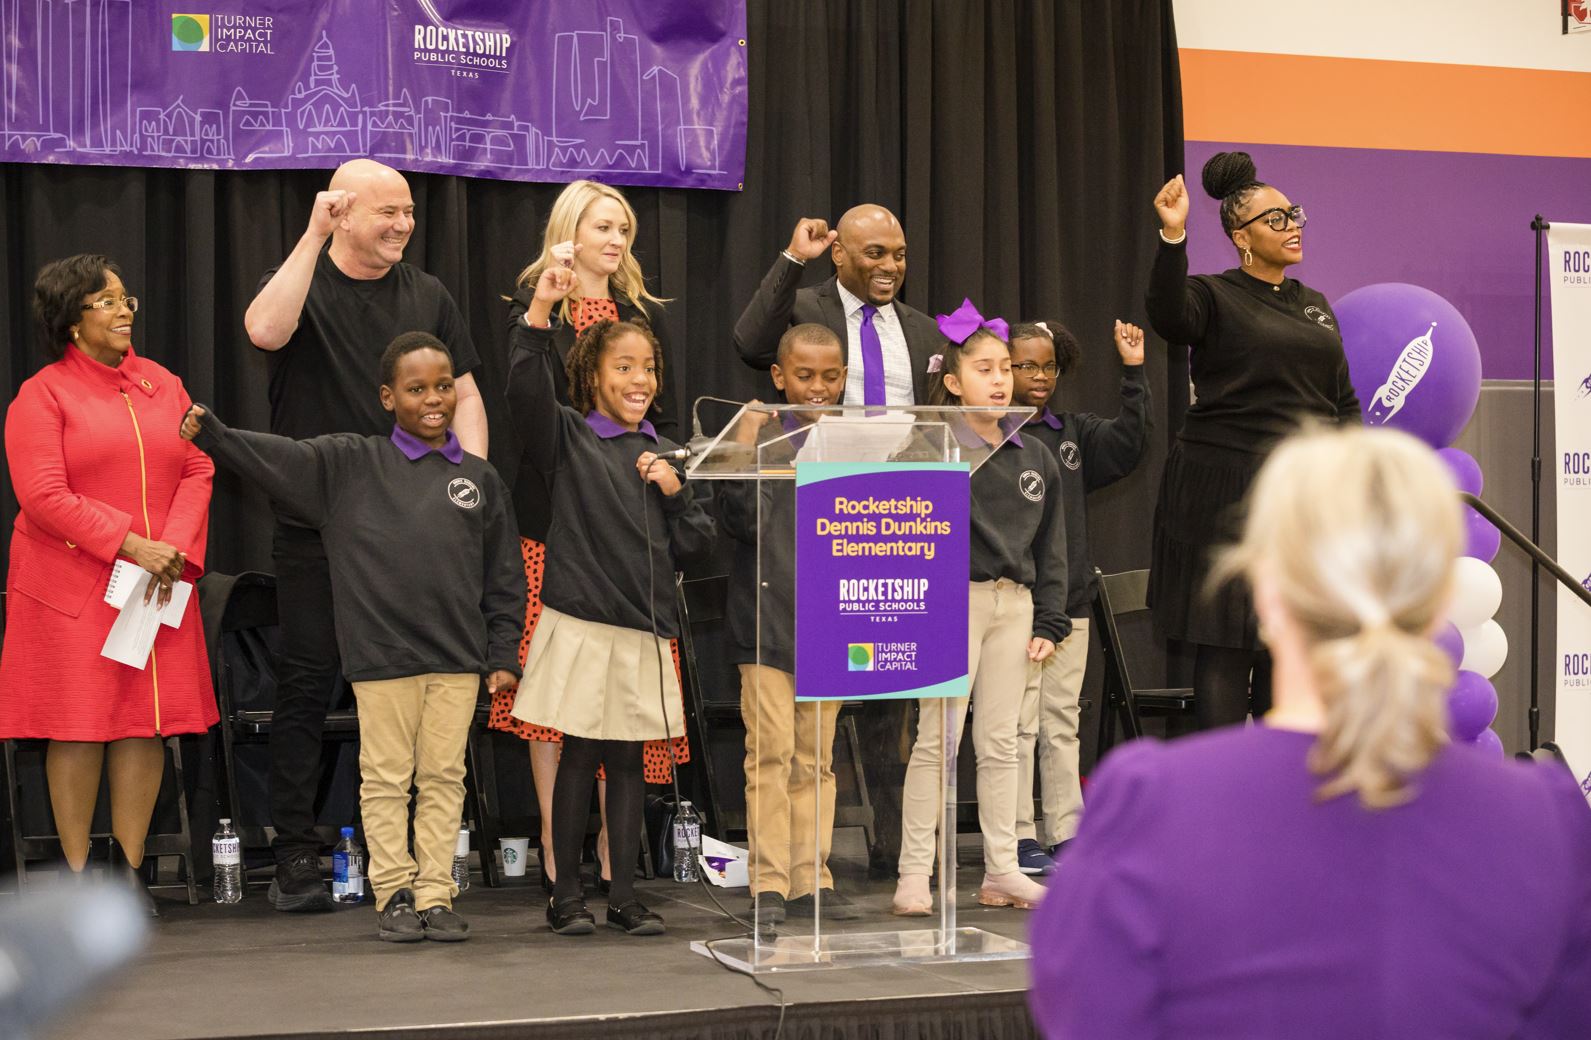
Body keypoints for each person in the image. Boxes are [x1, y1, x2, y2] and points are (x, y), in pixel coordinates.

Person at [1029, 425, 1591, 1039]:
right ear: (1438, 601)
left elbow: (1086, 1016)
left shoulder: (1152, 804)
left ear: (1267, 595)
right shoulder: (1545, 819)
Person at [180, 332, 524, 944]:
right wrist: (216, 436)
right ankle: (394, 894)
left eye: (444, 386)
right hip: (383, 659)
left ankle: (436, 894)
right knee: (387, 779)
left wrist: (502, 653)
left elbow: (503, 577)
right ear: (388, 397)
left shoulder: (480, 479)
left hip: (456, 661)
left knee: (444, 780)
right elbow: (278, 459)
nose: (434, 399)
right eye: (416, 389)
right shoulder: (349, 465)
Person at [244, 159, 486, 911]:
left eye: (409, 211)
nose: (403, 224)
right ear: (342, 213)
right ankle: (295, 853)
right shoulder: (303, 277)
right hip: (317, 525)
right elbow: (263, 329)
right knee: (308, 680)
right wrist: (311, 238)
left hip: (409, 531)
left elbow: (465, 392)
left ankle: (415, 863)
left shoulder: (428, 294)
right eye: (387, 212)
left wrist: (471, 487)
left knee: (416, 688)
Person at [0, 255, 216, 915]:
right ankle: (75, 879)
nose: (125, 311)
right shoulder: (43, 395)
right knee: (78, 725)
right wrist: (131, 544)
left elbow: (198, 466)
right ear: (73, 321)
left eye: (127, 299)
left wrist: (172, 549)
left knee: (142, 724)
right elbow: (42, 495)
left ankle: (129, 871)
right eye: (108, 301)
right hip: (73, 587)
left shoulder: (161, 384)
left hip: (154, 583)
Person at [488, 179, 687, 894]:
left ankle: (614, 849)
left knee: (622, 701)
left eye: (624, 229)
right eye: (604, 226)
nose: (617, 239)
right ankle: (555, 839)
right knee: (559, 700)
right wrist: (547, 304)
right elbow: (529, 410)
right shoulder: (537, 309)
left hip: (629, 526)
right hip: (555, 523)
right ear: (570, 231)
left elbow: (660, 415)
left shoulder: (639, 316)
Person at [506, 261, 716, 938]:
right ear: (592, 376)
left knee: (628, 764)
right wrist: (539, 315)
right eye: (623, 367)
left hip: (643, 632)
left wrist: (674, 493)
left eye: (648, 368)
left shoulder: (668, 455)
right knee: (580, 756)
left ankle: (623, 894)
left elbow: (700, 545)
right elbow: (524, 393)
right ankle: (565, 895)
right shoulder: (570, 438)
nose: (639, 380)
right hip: (582, 625)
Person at [1145, 151, 1360, 731]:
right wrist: (1173, 235)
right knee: (1228, 640)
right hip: (1224, 487)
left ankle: (1273, 772)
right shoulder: (1212, 295)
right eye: (1276, 219)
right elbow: (1168, 315)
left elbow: (1341, 402)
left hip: (1299, 494)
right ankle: (1223, 780)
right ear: (1241, 237)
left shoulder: (1314, 305)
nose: (1293, 226)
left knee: (1282, 642)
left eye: (1295, 215)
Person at [893, 300, 1069, 916]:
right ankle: (914, 873)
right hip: (950, 604)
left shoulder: (1034, 454)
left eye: (1004, 370)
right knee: (936, 741)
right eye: (984, 369)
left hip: (1013, 606)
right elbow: (900, 530)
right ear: (951, 382)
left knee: (1002, 743)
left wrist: (1049, 619)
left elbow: (1052, 548)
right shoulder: (929, 448)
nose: (1000, 381)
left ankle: (1002, 869)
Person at [719, 323, 862, 928]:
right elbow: (739, 520)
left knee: (816, 759)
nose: (819, 387)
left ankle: (811, 876)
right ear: (779, 377)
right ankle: (770, 881)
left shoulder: (858, 442)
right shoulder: (761, 436)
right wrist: (742, 444)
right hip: (766, 622)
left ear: (846, 378)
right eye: (805, 376)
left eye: (831, 376)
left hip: (830, 622)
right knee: (771, 754)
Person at [1007, 318, 1150, 876]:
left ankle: (1065, 831)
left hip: (1069, 605)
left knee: (1060, 721)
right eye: (1026, 365)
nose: (1040, 376)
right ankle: (1017, 835)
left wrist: (1134, 372)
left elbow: (1130, 443)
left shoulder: (1072, 433)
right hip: (1015, 606)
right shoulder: (987, 438)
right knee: (1017, 725)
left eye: (1049, 366)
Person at [733, 207, 942, 406]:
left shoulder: (929, 332)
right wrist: (795, 255)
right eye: (875, 254)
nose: (891, 266)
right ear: (838, 254)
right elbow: (753, 349)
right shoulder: (799, 310)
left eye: (899, 256)